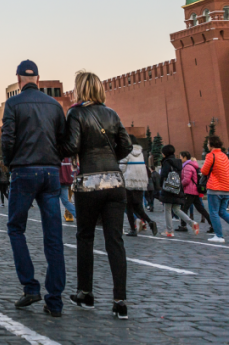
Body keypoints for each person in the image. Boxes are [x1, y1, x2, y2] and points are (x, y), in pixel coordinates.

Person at [61, 70, 133, 320]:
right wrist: (110, 160)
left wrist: (59, 147)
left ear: (80, 89)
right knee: (115, 241)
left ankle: (86, 294)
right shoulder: (112, 113)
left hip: (89, 184)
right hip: (115, 182)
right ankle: (120, 301)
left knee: (85, 238)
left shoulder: (76, 113)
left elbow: (71, 146)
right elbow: (126, 145)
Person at [0, 59, 66, 318]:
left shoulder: (13, 104)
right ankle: (55, 301)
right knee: (54, 237)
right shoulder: (54, 105)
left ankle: (30, 287)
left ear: (18, 79)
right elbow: (64, 140)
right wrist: (53, 160)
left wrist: (10, 162)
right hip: (50, 174)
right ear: (38, 79)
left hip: (24, 171)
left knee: (16, 228)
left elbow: (7, 139)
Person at [119, 137, 156, 236]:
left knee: (129, 207)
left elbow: (121, 168)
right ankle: (149, 221)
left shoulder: (126, 152)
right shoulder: (141, 153)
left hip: (128, 182)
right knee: (138, 206)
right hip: (140, 182)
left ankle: (133, 229)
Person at [159, 144, 198, 237]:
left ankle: (169, 230)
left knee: (167, 209)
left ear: (165, 153)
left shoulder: (166, 162)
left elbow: (163, 175)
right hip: (177, 187)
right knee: (176, 209)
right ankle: (192, 223)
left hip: (168, 188)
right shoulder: (178, 162)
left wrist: (161, 186)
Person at [59, 157, 76, 222]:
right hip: (67, 180)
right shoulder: (69, 156)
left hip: (58, 179)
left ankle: (54, 218)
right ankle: (77, 215)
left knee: (54, 200)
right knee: (66, 201)